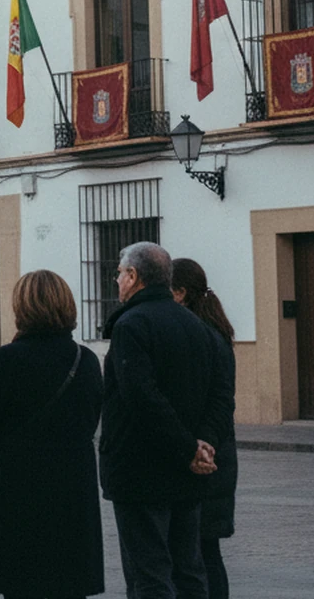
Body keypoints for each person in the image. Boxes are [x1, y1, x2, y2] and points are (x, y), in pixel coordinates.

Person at [101, 242, 234, 599]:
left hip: (140, 472)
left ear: (133, 276)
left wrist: (189, 447)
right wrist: (202, 444)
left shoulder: (131, 325)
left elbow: (141, 397)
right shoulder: (198, 326)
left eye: (119, 273)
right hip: (188, 475)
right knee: (189, 570)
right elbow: (221, 397)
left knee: (149, 573)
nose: (116, 280)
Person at [0, 270, 104, 599]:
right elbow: (91, 416)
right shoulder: (86, 361)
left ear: (21, 308)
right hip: (73, 487)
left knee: (21, 585)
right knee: (70, 585)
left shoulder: (4, 360)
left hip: (16, 489)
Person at [172, 258, 238, 599]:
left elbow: (216, 402)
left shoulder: (199, 336)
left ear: (181, 293)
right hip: (216, 455)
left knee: (200, 553)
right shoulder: (216, 332)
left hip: (207, 457)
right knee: (205, 550)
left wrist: (200, 446)